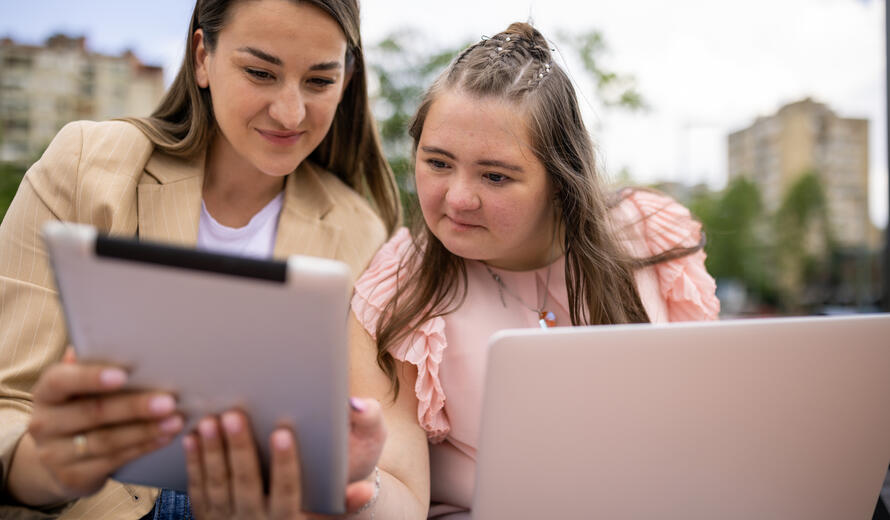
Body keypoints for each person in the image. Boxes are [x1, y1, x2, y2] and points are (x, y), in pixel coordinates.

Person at [0, 0, 400, 518]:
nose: (290, 112)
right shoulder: (87, 165)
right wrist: (50, 469)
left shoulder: (360, 230)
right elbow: (8, 398)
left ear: (346, 78)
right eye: (260, 72)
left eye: (319, 81)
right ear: (202, 57)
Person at [345, 22, 720, 518]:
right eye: (437, 163)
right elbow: (401, 496)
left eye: (495, 175)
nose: (457, 197)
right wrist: (359, 483)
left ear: (562, 179)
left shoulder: (650, 234)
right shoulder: (395, 288)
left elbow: (702, 432)